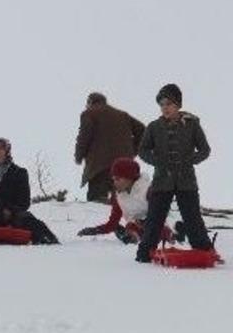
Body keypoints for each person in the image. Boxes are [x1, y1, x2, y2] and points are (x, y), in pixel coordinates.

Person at [135, 83, 213, 262]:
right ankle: (144, 254)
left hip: (186, 181)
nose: (165, 108)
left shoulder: (192, 125)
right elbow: (143, 151)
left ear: (178, 105)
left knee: (192, 218)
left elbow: (205, 150)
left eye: (169, 104)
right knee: (155, 218)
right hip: (162, 181)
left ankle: (205, 251)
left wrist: (190, 160)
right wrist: (157, 162)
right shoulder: (153, 127)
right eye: (162, 104)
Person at [0, 138, 59, 244]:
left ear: (7, 151)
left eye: (1, 148)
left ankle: (48, 240)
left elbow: (24, 202)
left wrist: (9, 210)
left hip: (13, 214)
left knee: (26, 218)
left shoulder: (19, 173)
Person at [77, 157, 177, 244]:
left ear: (130, 178)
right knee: (130, 227)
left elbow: (161, 212)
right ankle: (131, 237)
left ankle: (170, 236)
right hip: (136, 227)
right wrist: (95, 230)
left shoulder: (147, 190)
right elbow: (112, 223)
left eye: (118, 179)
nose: (115, 183)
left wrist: (146, 221)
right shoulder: (119, 197)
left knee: (157, 229)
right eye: (113, 179)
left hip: (155, 224)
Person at [74, 92, 145, 202]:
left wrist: (79, 156)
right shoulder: (122, 115)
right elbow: (143, 131)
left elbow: (84, 136)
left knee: (96, 202)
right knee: (121, 202)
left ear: (90, 102)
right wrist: (132, 151)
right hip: (123, 165)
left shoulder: (89, 113)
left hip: (100, 166)